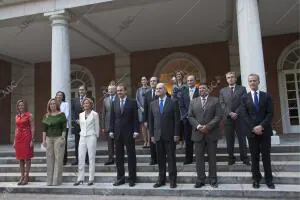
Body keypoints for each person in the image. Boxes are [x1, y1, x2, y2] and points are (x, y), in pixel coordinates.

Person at [240, 74, 275, 189]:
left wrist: (261, 126)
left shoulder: (267, 96)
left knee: (266, 156)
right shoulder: (244, 98)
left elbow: (270, 113)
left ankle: (269, 179)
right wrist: (254, 127)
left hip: (265, 132)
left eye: (254, 80)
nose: (252, 83)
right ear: (248, 83)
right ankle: (256, 179)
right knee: (254, 157)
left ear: (259, 82)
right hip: (252, 133)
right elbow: (244, 115)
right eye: (250, 81)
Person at [188, 83, 221, 188]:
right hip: (198, 134)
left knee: (212, 157)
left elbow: (218, 116)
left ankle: (213, 178)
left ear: (208, 89)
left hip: (211, 133)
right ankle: (200, 179)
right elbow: (190, 116)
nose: (201, 89)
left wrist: (208, 126)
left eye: (203, 88)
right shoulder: (193, 102)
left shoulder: (215, 100)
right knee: (199, 158)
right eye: (200, 88)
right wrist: (198, 126)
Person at [149, 83, 180, 189]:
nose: (157, 90)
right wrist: (152, 135)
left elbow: (177, 120)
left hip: (170, 135)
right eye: (156, 88)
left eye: (160, 88)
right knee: (160, 159)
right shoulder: (152, 104)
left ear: (165, 89)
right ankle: (161, 180)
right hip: (157, 136)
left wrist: (176, 133)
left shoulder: (173, 102)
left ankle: (172, 180)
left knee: (171, 158)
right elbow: (151, 121)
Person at [109, 83, 139, 187]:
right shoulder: (114, 103)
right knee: (119, 157)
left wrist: (136, 130)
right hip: (117, 134)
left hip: (129, 133)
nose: (119, 93)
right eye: (118, 91)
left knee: (131, 156)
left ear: (125, 91)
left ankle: (132, 178)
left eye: (121, 90)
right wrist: (111, 130)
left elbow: (136, 118)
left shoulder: (132, 102)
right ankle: (120, 178)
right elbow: (112, 118)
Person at [219, 72, 250, 166]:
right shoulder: (222, 90)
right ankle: (231, 158)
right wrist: (230, 113)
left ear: (235, 79)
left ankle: (244, 158)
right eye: (228, 77)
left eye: (232, 77)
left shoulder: (242, 89)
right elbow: (221, 103)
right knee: (229, 139)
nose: (230, 79)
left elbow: (244, 102)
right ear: (226, 79)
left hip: (240, 117)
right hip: (228, 118)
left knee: (242, 139)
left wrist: (236, 112)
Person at [74, 98, 100, 186]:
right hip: (82, 137)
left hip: (91, 136)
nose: (86, 105)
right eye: (84, 103)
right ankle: (80, 178)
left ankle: (91, 178)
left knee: (91, 157)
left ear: (91, 104)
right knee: (80, 157)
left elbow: (97, 126)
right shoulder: (81, 114)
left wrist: (96, 136)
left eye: (87, 103)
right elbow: (81, 125)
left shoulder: (94, 114)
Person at [42, 98, 67, 186]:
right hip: (49, 139)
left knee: (58, 159)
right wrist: (43, 140)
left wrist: (62, 138)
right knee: (49, 159)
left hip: (58, 138)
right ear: (49, 105)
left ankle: (56, 181)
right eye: (50, 104)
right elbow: (44, 129)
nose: (52, 105)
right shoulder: (46, 116)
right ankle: (49, 181)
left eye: (53, 103)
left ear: (56, 105)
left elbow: (64, 128)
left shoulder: (61, 115)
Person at [179, 75, 199, 165]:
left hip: (198, 120)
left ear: (195, 81)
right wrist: (186, 115)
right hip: (187, 120)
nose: (190, 82)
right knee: (188, 140)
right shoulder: (183, 92)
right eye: (188, 81)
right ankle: (188, 158)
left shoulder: (200, 90)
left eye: (191, 80)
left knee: (199, 139)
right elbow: (181, 106)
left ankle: (199, 157)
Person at [14, 99, 34, 185]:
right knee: (20, 158)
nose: (21, 107)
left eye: (22, 105)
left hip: (27, 137)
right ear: (17, 107)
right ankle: (22, 176)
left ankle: (26, 176)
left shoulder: (29, 115)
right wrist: (14, 140)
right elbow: (16, 128)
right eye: (19, 105)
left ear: (25, 106)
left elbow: (33, 127)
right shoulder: (17, 116)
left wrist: (32, 139)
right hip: (18, 138)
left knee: (27, 158)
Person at [71, 85, 90, 165]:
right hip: (77, 125)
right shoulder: (74, 100)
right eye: (79, 90)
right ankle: (77, 159)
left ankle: (87, 159)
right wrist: (76, 120)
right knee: (77, 143)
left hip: (87, 125)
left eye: (82, 90)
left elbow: (91, 111)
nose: (81, 91)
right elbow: (72, 112)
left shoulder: (90, 100)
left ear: (86, 91)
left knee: (87, 143)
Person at [143, 77, 159, 165]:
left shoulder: (161, 92)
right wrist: (145, 120)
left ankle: (161, 157)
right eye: (151, 81)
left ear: (157, 82)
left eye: (154, 81)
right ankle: (153, 158)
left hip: (160, 120)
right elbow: (145, 108)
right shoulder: (147, 94)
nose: (152, 82)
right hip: (150, 120)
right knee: (151, 139)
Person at [172, 71, 188, 148]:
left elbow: (187, 96)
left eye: (179, 75)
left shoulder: (186, 86)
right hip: (176, 107)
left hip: (184, 108)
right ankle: (180, 142)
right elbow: (172, 97)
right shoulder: (173, 86)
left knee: (185, 124)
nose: (178, 76)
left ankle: (185, 142)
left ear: (182, 76)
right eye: (177, 75)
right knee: (178, 125)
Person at [101, 84, 117, 165]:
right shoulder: (105, 100)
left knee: (118, 142)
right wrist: (103, 126)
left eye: (112, 89)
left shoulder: (118, 98)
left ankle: (119, 157)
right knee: (110, 143)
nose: (110, 90)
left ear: (115, 90)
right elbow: (103, 114)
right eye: (109, 89)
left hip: (117, 124)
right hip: (108, 124)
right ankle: (110, 158)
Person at [56, 91, 70, 165]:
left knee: (63, 143)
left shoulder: (66, 104)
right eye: (57, 95)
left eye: (60, 95)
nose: (59, 96)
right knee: (57, 143)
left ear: (63, 96)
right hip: (56, 127)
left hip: (64, 126)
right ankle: (58, 159)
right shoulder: (54, 104)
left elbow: (66, 115)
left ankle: (64, 160)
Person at [136, 76, 151, 148]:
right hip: (141, 110)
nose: (143, 81)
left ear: (147, 81)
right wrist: (141, 107)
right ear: (141, 81)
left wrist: (147, 108)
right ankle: (145, 141)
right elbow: (137, 100)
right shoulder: (139, 90)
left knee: (148, 126)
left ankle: (149, 141)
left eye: (145, 79)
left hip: (148, 110)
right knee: (143, 127)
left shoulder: (150, 89)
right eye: (142, 80)